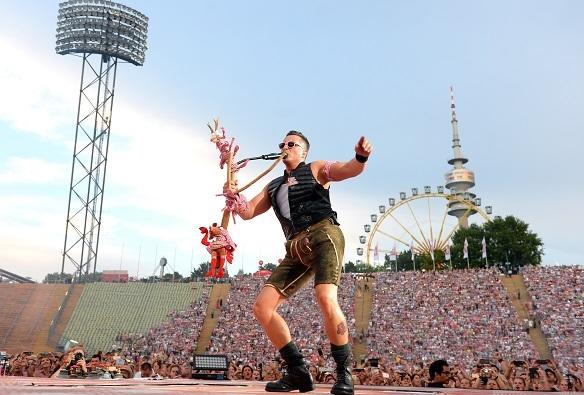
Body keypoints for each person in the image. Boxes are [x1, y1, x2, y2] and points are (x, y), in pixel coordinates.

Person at [225, 130, 372, 394]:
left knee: (325, 296)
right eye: (282, 144)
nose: (285, 146)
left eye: (291, 144)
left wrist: (360, 157)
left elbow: (347, 170)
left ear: (303, 152)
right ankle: (298, 372)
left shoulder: (316, 169)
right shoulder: (272, 186)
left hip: (323, 234)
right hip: (295, 246)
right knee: (262, 307)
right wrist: (234, 199)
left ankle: (344, 375)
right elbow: (247, 212)